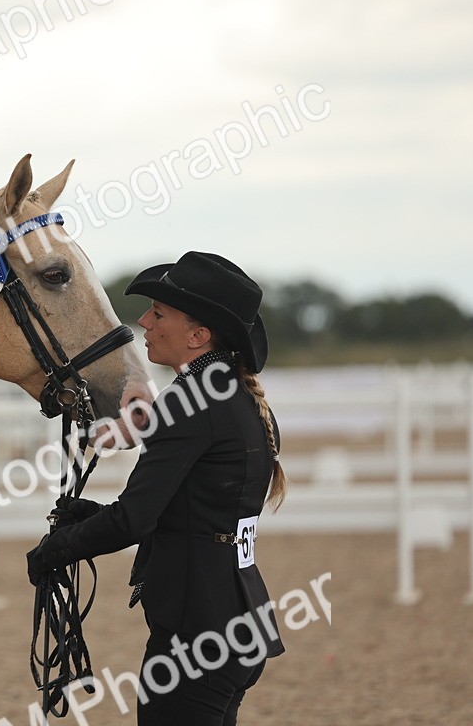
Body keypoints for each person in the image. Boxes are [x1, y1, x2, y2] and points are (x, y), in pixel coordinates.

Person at [26, 251, 287, 726]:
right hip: (234, 620)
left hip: (198, 630)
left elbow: (134, 519)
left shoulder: (189, 401)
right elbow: (187, 512)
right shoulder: (233, 396)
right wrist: (85, 515)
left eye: (159, 313)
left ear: (197, 335)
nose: (143, 321)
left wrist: (53, 552)